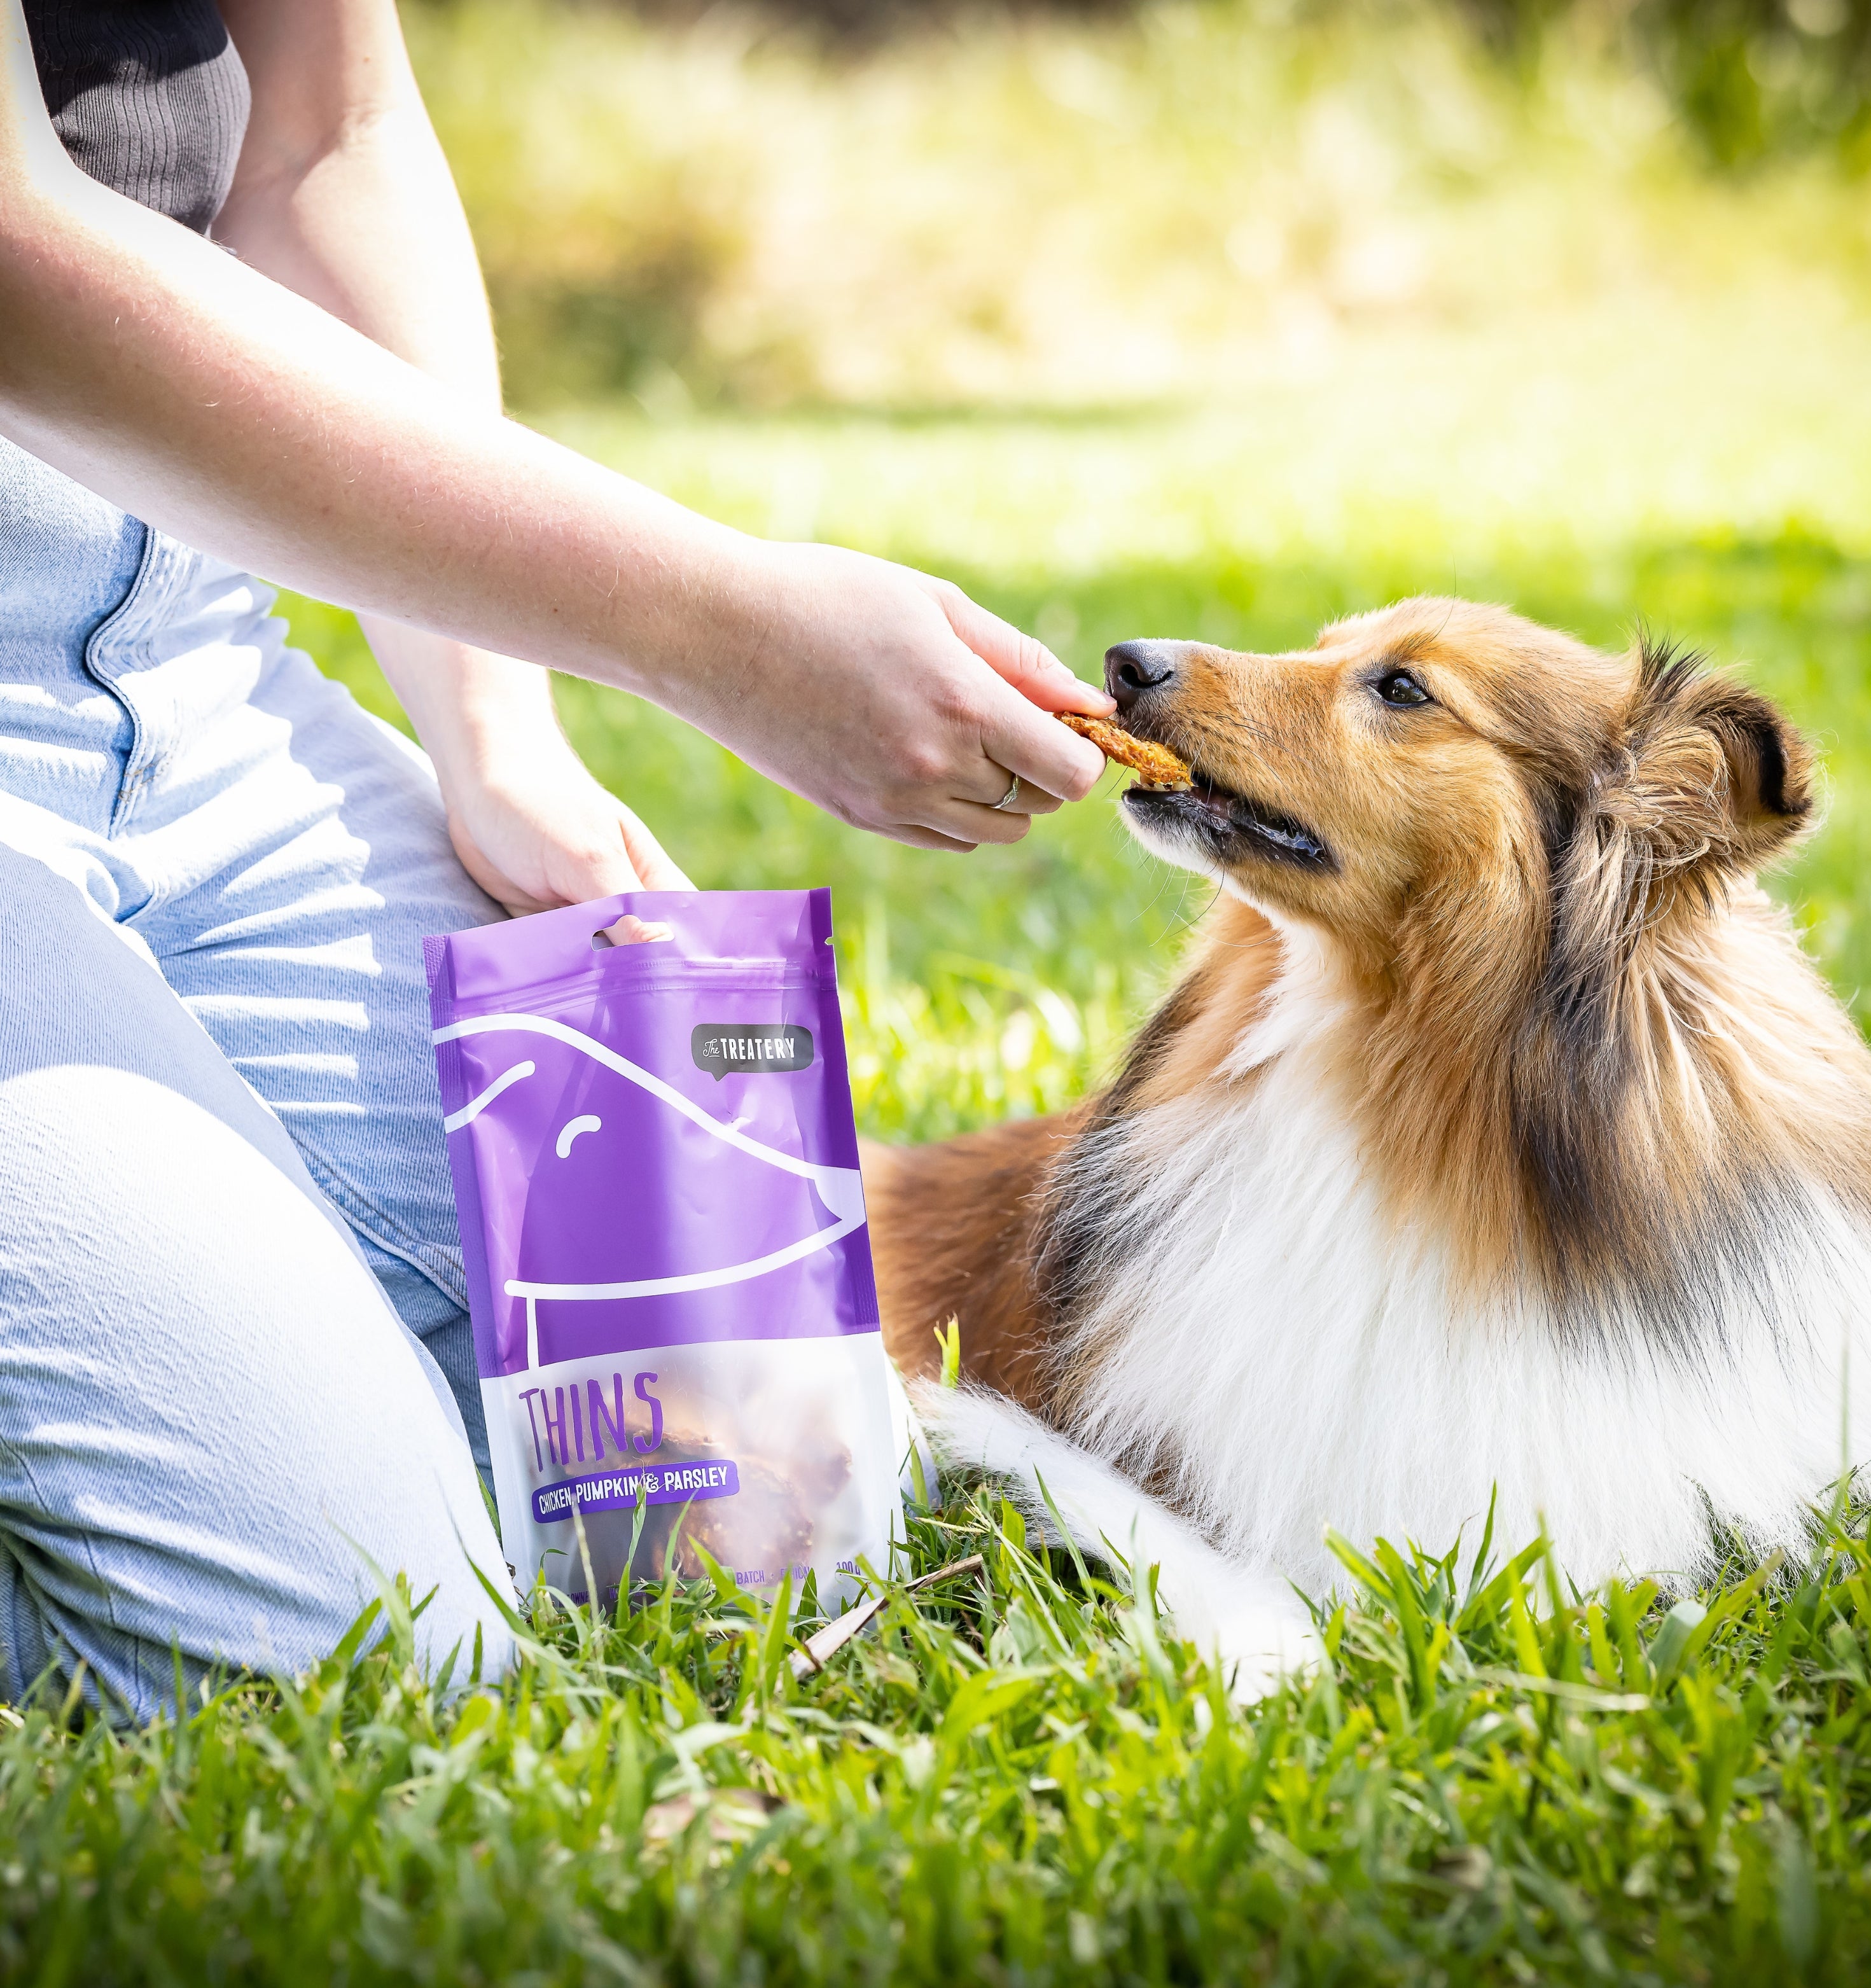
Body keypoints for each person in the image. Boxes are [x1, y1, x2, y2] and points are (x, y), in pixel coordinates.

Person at [0, 0, 1111, 1718]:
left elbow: (326, 140)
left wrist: (493, 729)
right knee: (379, 1658)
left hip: (187, 656)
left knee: (773, 1499)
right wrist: (718, 632)